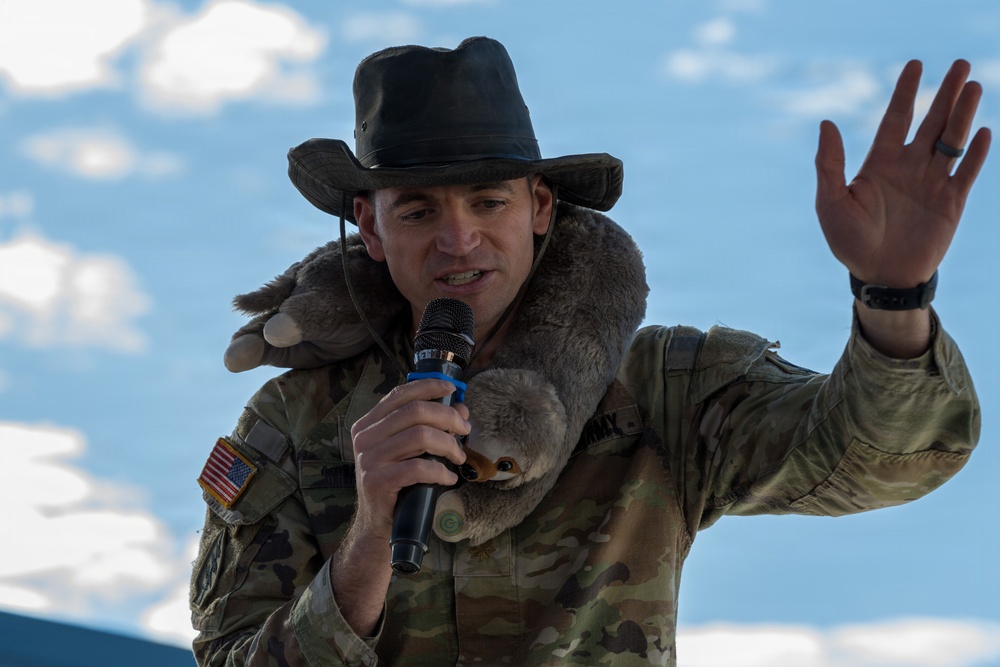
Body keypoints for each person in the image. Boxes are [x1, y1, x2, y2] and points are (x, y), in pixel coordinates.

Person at [189, 37, 989, 666]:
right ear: (369, 226)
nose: (458, 239)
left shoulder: (660, 388)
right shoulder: (290, 424)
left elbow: (884, 458)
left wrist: (893, 296)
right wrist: (367, 543)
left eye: (489, 200)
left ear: (540, 208)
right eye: (420, 209)